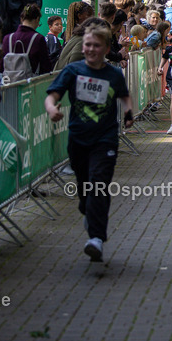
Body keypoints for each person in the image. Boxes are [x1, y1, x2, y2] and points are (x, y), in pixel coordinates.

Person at [46, 23, 133, 262]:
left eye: (96, 45)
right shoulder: (73, 71)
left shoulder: (113, 74)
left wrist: (128, 112)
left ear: (106, 48)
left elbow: (125, 96)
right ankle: (87, 207)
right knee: (86, 187)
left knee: (99, 184)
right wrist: (52, 108)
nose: (91, 49)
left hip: (104, 139)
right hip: (78, 139)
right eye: (87, 45)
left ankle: (96, 238)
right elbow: (52, 95)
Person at [0, 3, 54, 77]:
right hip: (29, 84)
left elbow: (1, 66)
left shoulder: (7, 38)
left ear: (21, 19)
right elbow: (46, 67)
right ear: (37, 19)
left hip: (8, 83)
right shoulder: (38, 39)